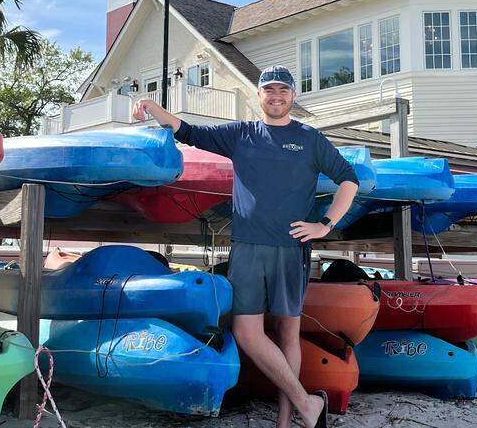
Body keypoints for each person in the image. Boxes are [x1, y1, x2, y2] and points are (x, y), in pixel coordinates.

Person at [133, 65, 359, 428]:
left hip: (291, 248)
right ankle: (308, 404)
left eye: (282, 90)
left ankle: (287, 421)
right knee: (247, 333)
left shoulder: (310, 138)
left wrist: (325, 225)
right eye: (268, 90)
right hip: (248, 248)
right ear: (259, 96)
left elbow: (349, 179)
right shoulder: (242, 134)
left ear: (293, 96)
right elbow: (189, 132)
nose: (276, 96)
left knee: (288, 332)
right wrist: (150, 106)